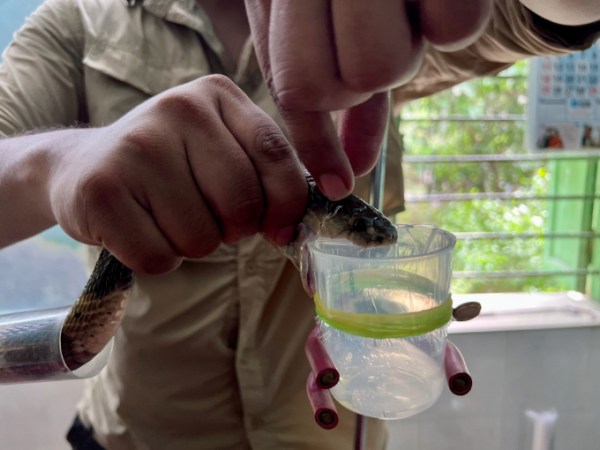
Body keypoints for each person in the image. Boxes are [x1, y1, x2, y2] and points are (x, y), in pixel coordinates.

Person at [0, 0, 598, 448]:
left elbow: (550, 15)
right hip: (135, 436)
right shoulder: (76, 22)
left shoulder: (374, 20)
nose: (371, 243)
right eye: (362, 234)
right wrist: (55, 163)